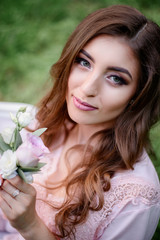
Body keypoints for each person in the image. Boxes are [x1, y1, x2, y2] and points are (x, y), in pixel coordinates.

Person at [0, 4, 160, 240]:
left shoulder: (134, 199)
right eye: (84, 62)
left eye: (115, 78)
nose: (87, 89)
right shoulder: (44, 123)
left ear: (138, 94)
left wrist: (32, 227)